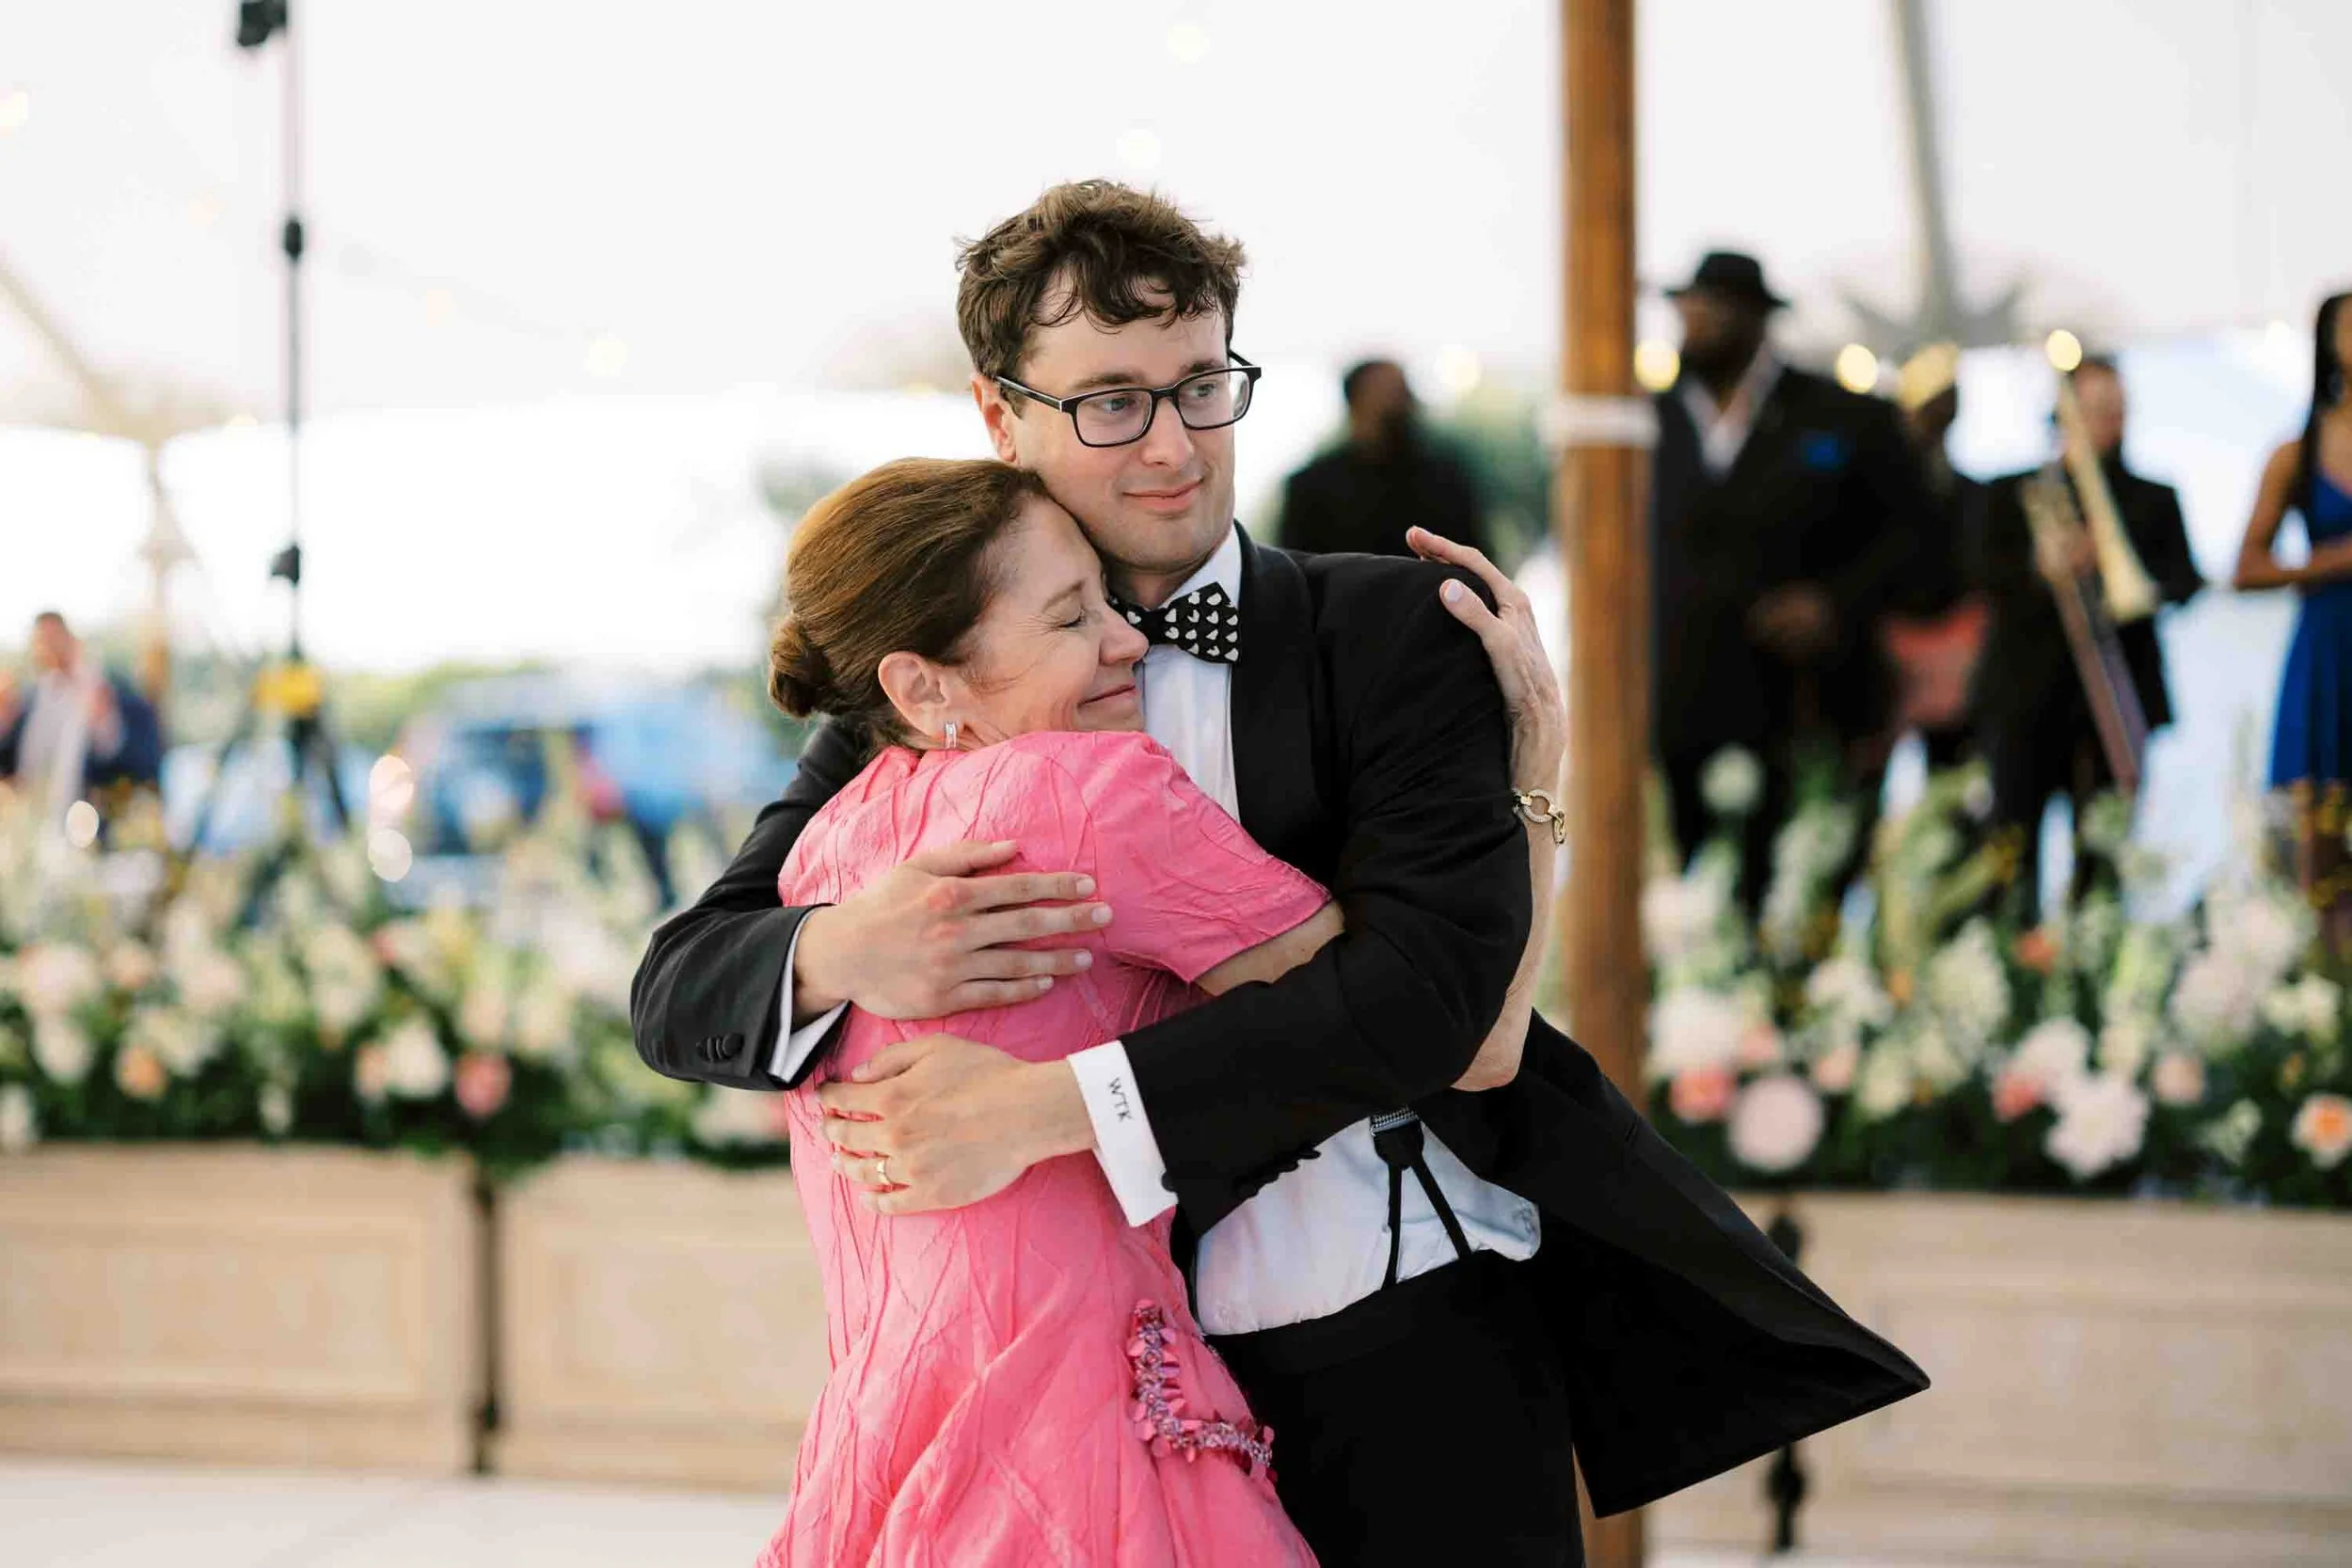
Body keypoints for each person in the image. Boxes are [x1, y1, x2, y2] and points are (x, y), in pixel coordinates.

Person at [633, 183, 1926, 1567]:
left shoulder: (1393, 629)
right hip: (1101, 1401)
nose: (1176, 446)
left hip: (1410, 1341)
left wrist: (1046, 1109)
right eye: (1112, 401)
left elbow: (1435, 999)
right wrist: (844, 948)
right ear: (1000, 416)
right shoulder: (933, 688)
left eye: (1203, 385)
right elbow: (680, 988)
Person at [757, 457, 1383, 1563]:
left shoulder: (822, 853)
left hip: (880, 1430)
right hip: (1077, 1434)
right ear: (923, 686)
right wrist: (1532, 786)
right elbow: (1378, 1003)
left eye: (1105, 599)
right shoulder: (1092, 790)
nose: (1129, 638)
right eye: (1069, 617)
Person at [1648, 250, 1931, 899]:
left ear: (1754, 319)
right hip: (1686, 701)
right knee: (1699, 895)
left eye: (1708, 309)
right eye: (1682, 309)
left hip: (1809, 701)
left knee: (1808, 887)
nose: (1689, 323)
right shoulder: (1648, 421)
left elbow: (1913, 535)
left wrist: (1834, 603)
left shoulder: (1841, 414)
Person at [1973, 355, 2202, 911]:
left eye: (2119, 411)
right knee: (2012, 845)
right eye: (2097, 410)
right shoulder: (2014, 492)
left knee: (2103, 851)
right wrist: (2040, 565)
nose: (2110, 422)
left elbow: (2184, 578)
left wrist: (2124, 568)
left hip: (2116, 699)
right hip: (2029, 697)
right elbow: (1977, 573)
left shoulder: (2153, 496)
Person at [2232, 291, 2352, 921]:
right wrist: (2332, 562)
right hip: (2331, 650)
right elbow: (2245, 568)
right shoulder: (2295, 452)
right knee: (2320, 855)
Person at [1883, 341, 1988, 770]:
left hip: (1955, 653)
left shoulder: (1970, 492)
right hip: (1888, 651)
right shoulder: (1881, 488)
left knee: (1954, 785)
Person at [1279, 357, 1489, 559]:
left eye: (1401, 391)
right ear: (1356, 401)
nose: (1400, 401)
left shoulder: (1444, 477)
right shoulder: (1311, 486)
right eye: (1387, 392)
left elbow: (1474, 552)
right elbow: (1298, 570)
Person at [0, 610, 164, 824]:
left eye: (55, 639)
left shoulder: (115, 693)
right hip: (31, 825)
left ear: (72, 640)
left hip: (91, 828)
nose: (50, 648)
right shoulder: (31, 699)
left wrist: (103, 721)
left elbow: (142, 764)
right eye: (42, 641)